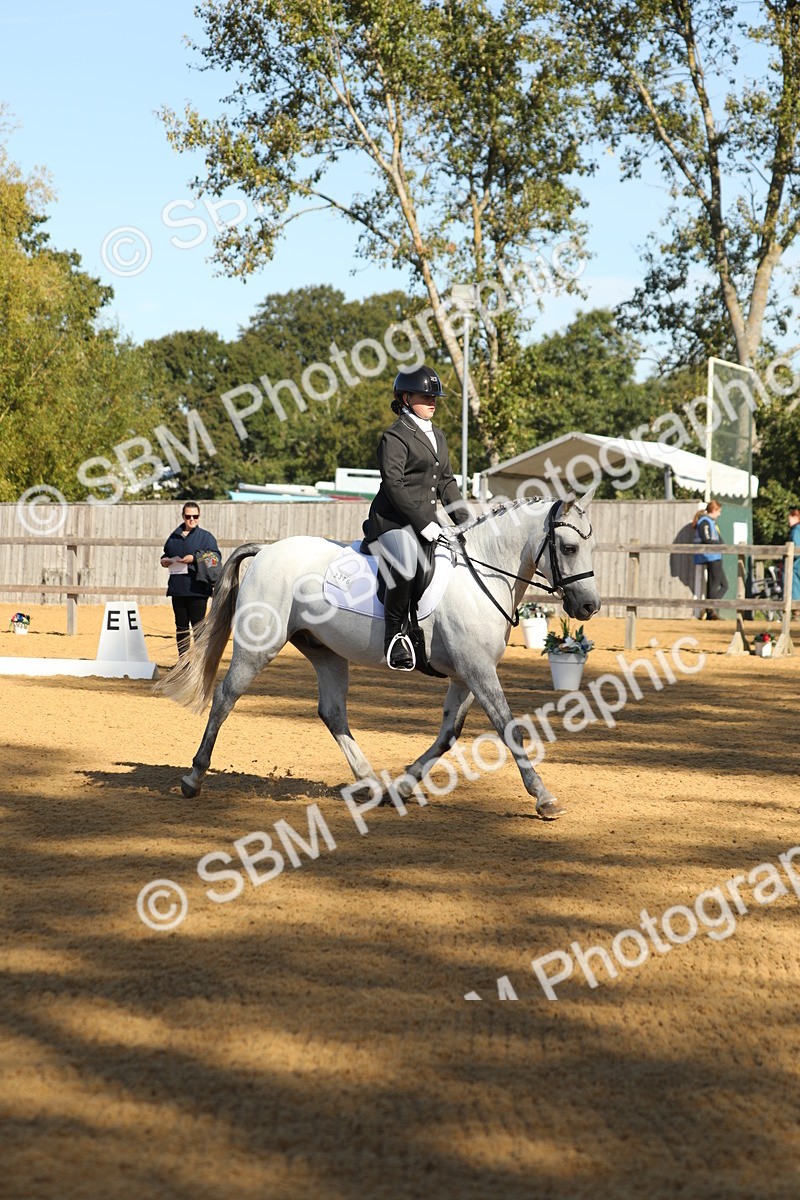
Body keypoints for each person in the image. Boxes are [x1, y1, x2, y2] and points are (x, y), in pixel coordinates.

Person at [362, 365, 471, 670]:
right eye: (426, 396)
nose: (432, 401)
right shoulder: (395, 436)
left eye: (435, 396)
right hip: (393, 521)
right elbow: (394, 486)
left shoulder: (437, 435)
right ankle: (394, 638)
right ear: (406, 398)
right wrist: (425, 524)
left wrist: (464, 522)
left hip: (428, 521)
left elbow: (447, 482)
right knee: (409, 565)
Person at [161, 502, 220, 655]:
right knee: (181, 628)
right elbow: (166, 553)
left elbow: (214, 559)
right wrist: (164, 560)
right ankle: (184, 661)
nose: (192, 519)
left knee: (198, 626)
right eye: (188, 516)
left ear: (199, 517)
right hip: (178, 589)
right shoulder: (173, 537)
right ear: (183, 516)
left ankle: (199, 661)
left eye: (195, 516)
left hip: (197, 589)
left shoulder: (206, 537)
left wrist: (194, 558)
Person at [693, 499, 726, 619]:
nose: (720, 514)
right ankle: (709, 607)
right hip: (711, 555)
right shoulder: (705, 522)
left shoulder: (710, 522)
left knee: (718, 584)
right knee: (718, 583)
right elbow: (707, 539)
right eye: (719, 511)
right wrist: (719, 544)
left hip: (715, 554)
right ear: (714, 510)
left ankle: (710, 610)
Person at [789, 507, 800, 616]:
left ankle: (796, 611)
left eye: (791, 517)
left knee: (795, 585)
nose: (789, 520)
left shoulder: (796, 530)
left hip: (796, 565)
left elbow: (795, 548)